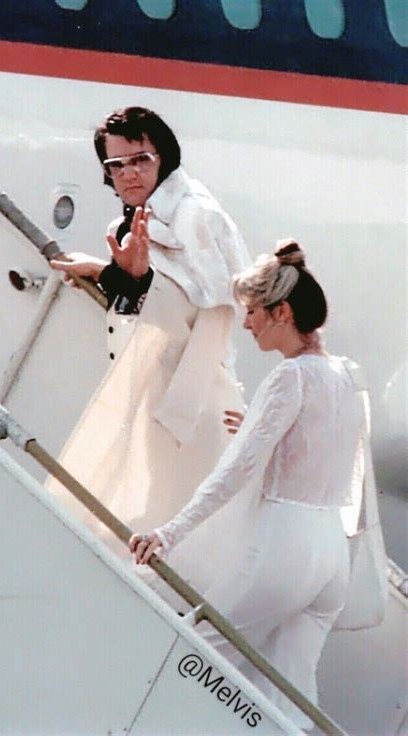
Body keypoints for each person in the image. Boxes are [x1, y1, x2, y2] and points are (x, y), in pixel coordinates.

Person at [130, 239, 366, 729]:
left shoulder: (290, 379)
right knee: (287, 705)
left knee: (192, 659)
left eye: (253, 311)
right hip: (330, 561)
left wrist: (168, 533)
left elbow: (234, 472)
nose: (246, 322)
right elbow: (332, 456)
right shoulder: (344, 375)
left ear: (281, 312)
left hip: (285, 548)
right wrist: (264, 431)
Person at [47, 106, 250, 592]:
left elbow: (215, 302)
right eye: (116, 166)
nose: (128, 174)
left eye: (140, 160)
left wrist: (118, 275)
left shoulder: (195, 215)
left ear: (164, 159)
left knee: (187, 542)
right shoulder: (139, 219)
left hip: (194, 402)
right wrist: (113, 275)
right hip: (161, 400)